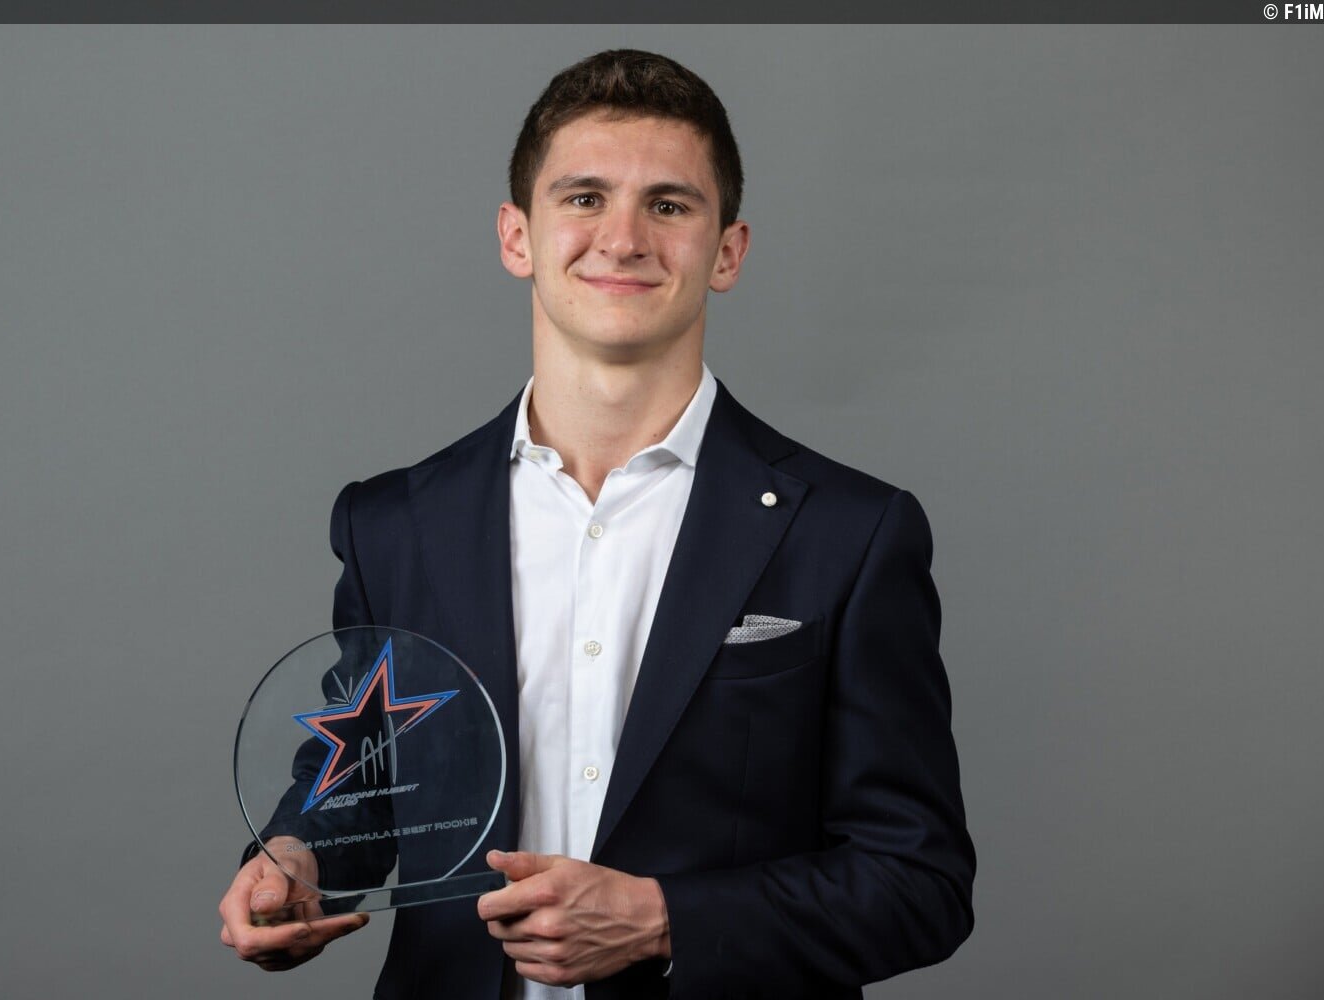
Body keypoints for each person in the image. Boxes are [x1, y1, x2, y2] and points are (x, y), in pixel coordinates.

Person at [219, 49, 975, 999]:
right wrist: (296, 858)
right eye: (583, 198)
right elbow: (365, 785)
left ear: (728, 251)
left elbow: (920, 883)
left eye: (669, 205)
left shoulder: (851, 535)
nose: (622, 239)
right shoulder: (395, 525)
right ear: (517, 237)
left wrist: (665, 921)